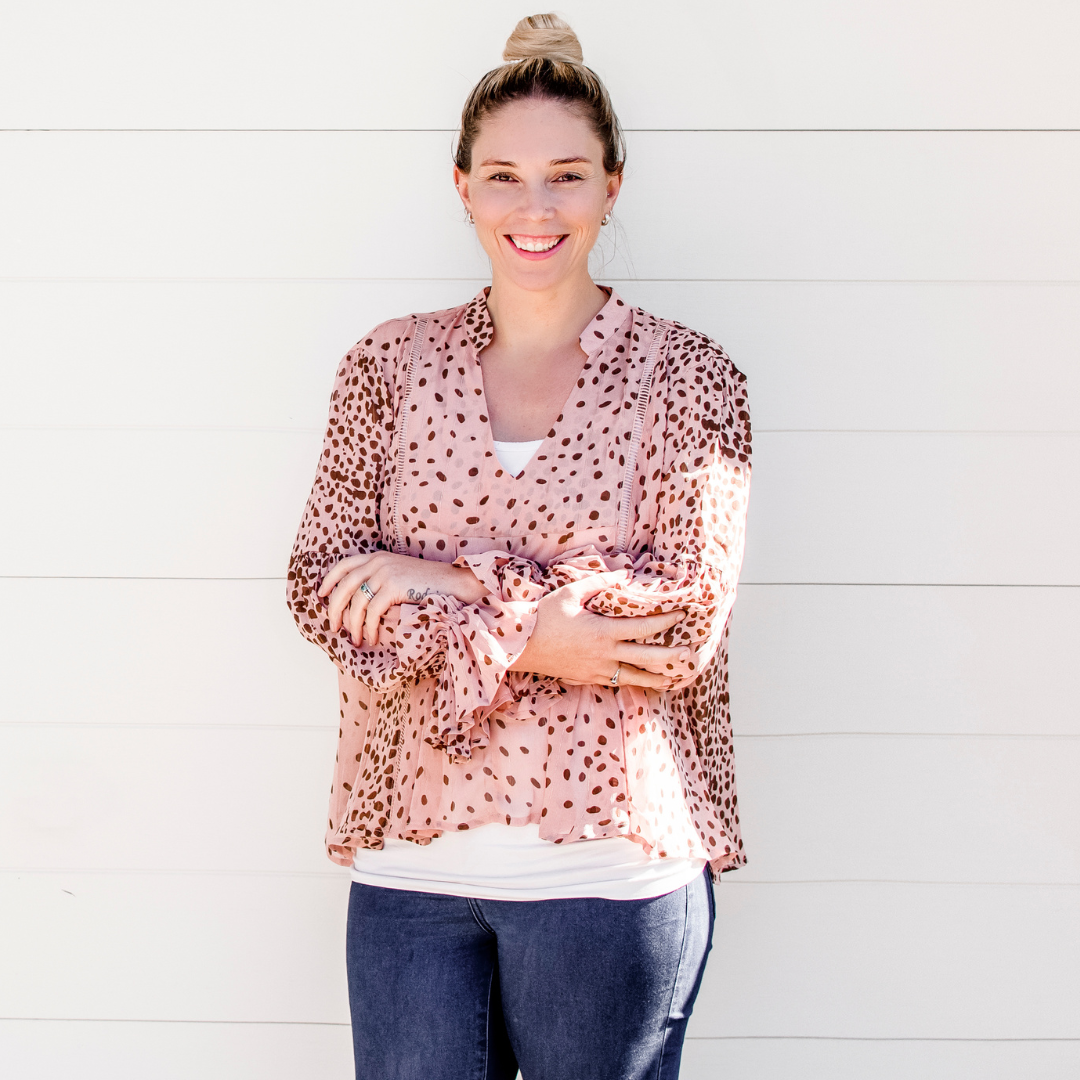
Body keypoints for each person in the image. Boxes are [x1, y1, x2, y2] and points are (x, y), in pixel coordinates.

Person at [286, 13, 752, 1080]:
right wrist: (545, 632)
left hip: (609, 876)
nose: (534, 208)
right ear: (463, 187)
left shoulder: (688, 377)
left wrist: (440, 580)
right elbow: (323, 588)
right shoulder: (387, 368)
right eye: (503, 177)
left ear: (611, 187)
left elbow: (676, 624)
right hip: (408, 869)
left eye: (565, 176)